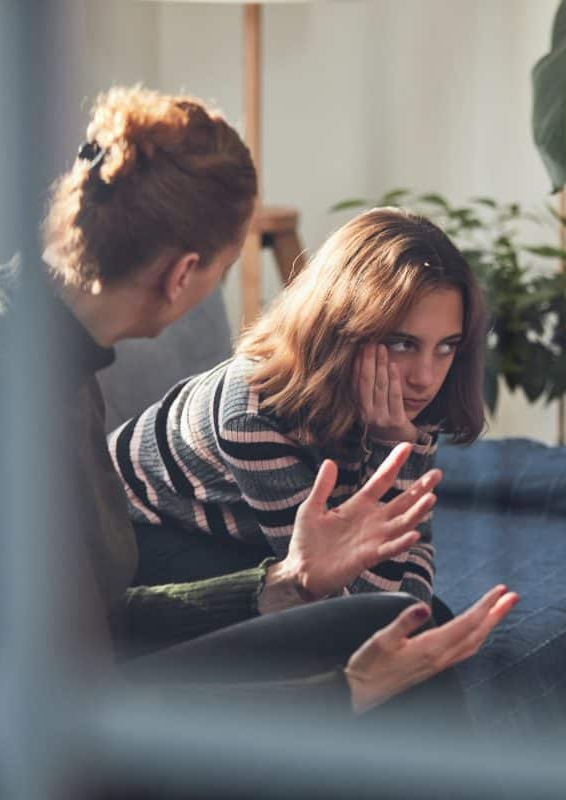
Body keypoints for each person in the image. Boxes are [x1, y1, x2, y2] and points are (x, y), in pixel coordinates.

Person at [0, 86, 516, 798]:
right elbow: (75, 712)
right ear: (184, 275)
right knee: (389, 677)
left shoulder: (48, 357)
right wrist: (343, 691)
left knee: (396, 623)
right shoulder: (2, 404)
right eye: (224, 265)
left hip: (36, 698)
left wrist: (286, 582)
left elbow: (103, 619)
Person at [111, 207, 487, 614]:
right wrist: (391, 448)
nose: (425, 377)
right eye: (402, 343)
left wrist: (396, 443)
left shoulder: (410, 395)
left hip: (254, 537)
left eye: (446, 346)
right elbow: (346, 602)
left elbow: (409, 559)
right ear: (343, 327)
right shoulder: (253, 413)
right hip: (137, 534)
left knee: (428, 619)